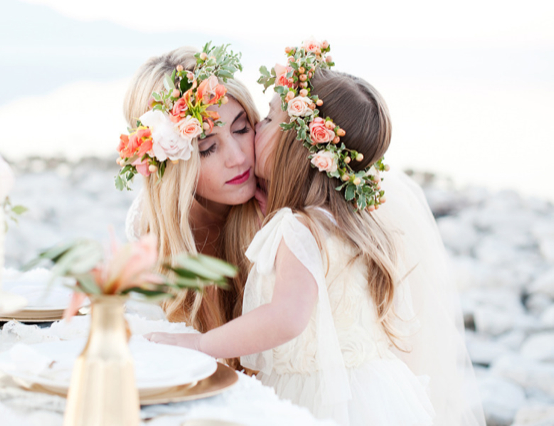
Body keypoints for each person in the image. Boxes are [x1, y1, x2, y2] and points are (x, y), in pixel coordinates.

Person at [146, 40, 486, 425]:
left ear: (297, 147)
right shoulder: (332, 219)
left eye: (248, 127)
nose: (240, 156)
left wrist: (202, 345)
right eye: (207, 147)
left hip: (323, 395)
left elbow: (287, 316)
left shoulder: (298, 224)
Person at [120, 44, 262, 368]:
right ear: (172, 165)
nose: (239, 158)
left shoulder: (279, 210)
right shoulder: (152, 237)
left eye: (241, 128)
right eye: (208, 148)